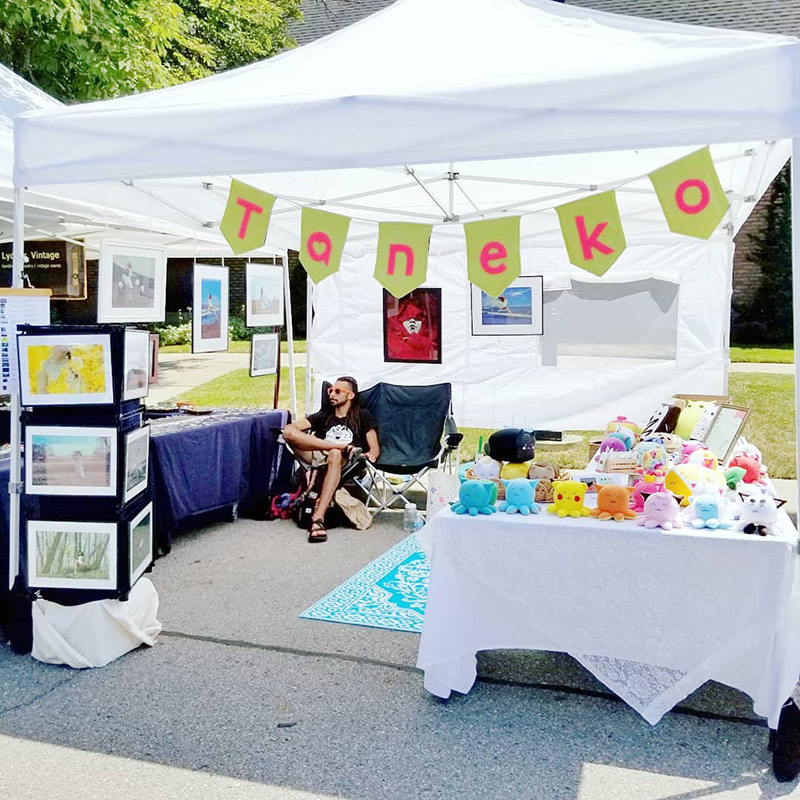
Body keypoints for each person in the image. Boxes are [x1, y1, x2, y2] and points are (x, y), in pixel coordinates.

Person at [283, 376, 379, 543]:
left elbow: (374, 447)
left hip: (346, 460)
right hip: (319, 454)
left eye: (337, 391)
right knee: (288, 433)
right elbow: (292, 429)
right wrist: (334, 445)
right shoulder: (324, 415)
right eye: (330, 391)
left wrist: (371, 455)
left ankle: (318, 519)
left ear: (350, 396)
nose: (332, 394)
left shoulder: (362, 415)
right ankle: (340, 446)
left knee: (335, 454)